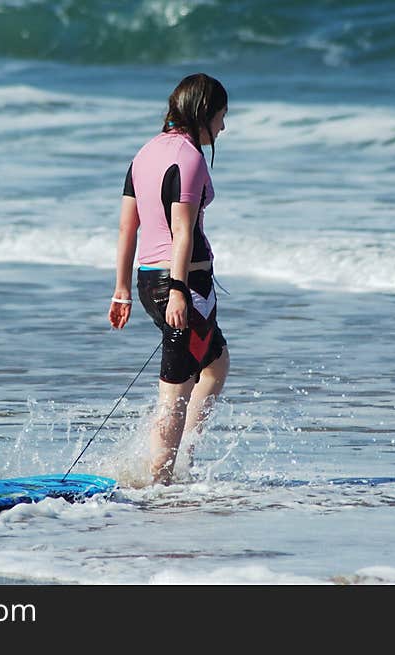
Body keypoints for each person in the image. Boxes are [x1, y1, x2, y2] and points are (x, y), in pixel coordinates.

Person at [108, 73, 230, 485]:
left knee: (214, 364)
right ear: (203, 113)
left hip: (147, 283)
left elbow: (128, 229)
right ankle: (160, 486)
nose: (222, 128)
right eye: (220, 117)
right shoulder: (189, 157)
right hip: (183, 290)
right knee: (174, 393)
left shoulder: (143, 154)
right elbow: (182, 229)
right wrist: (179, 290)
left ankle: (179, 460)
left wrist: (121, 290)